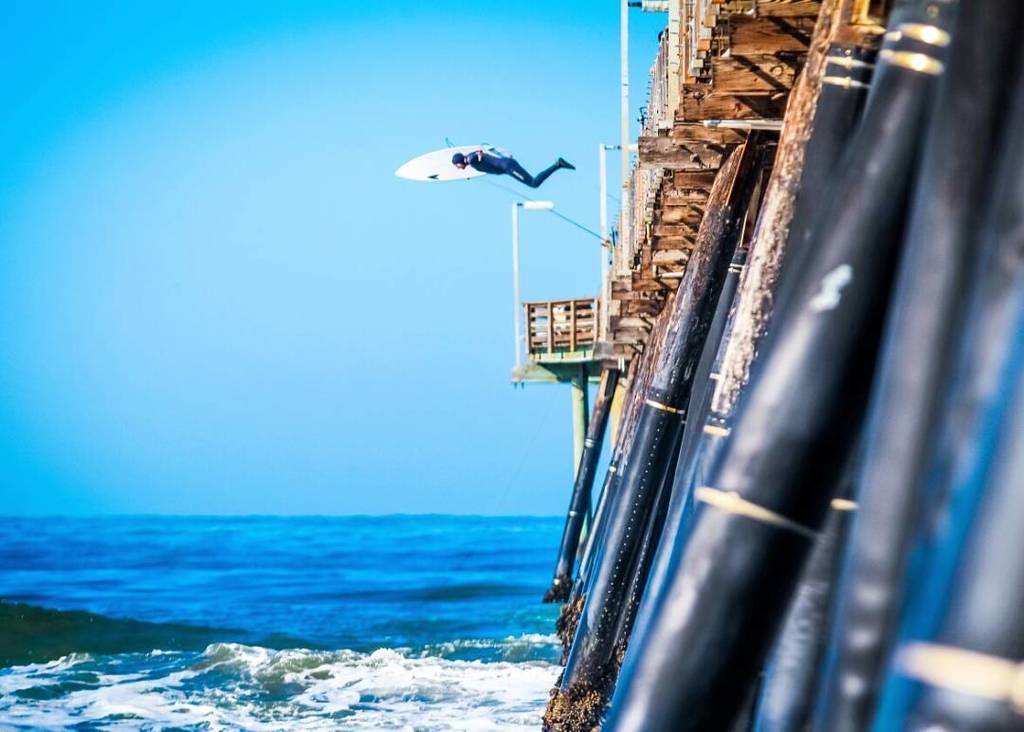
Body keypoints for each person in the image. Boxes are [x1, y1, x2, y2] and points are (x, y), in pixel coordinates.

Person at [452, 148, 575, 188]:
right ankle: (558, 165)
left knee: (534, 183)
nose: (458, 168)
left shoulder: (470, 159)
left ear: (459, 162)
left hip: (509, 167)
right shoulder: (470, 161)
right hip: (508, 166)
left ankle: (558, 164)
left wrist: (479, 156)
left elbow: (478, 153)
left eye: (456, 166)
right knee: (534, 183)